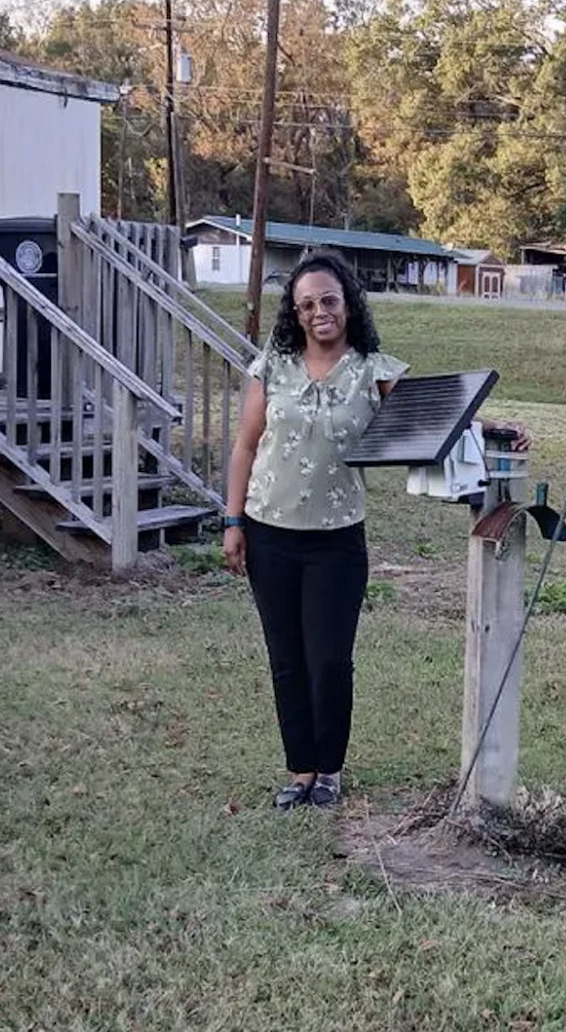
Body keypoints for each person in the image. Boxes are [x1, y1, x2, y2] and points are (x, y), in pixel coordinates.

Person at [222, 249, 409, 811]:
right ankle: (299, 769)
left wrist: (500, 430)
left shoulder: (375, 371)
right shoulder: (272, 365)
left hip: (336, 541)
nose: (318, 312)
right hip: (268, 534)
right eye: (306, 304)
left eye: (328, 300)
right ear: (295, 313)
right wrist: (233, 521)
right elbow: (245, 446)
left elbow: (435, 419)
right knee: (286, 658)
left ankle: (329, 770)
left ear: (348, 303)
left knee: (329, 660)